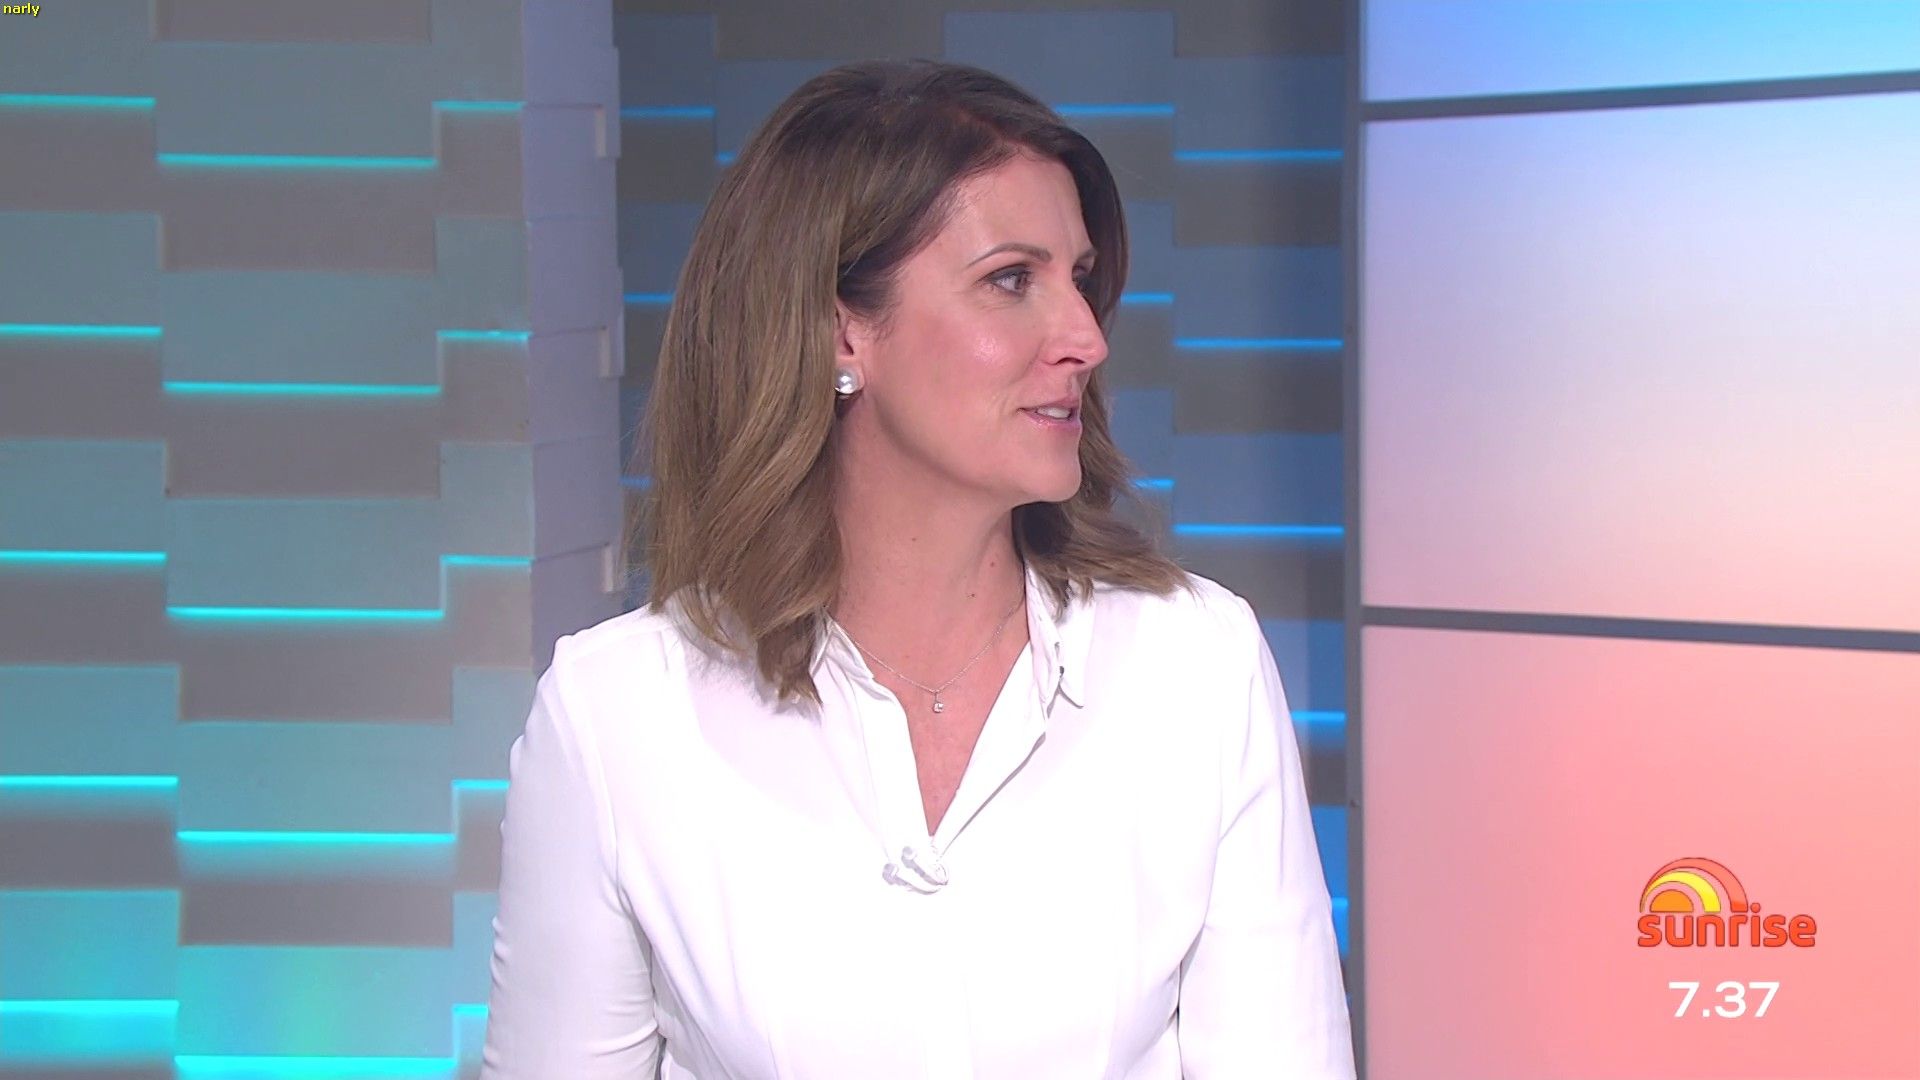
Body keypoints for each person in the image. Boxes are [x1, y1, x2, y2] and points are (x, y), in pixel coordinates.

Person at [479, 57, 1356, 1079]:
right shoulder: (616, 716)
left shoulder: (1196, 665)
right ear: (841, 330)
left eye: (1080, 279)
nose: (1085, 338)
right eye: (1011, 281)